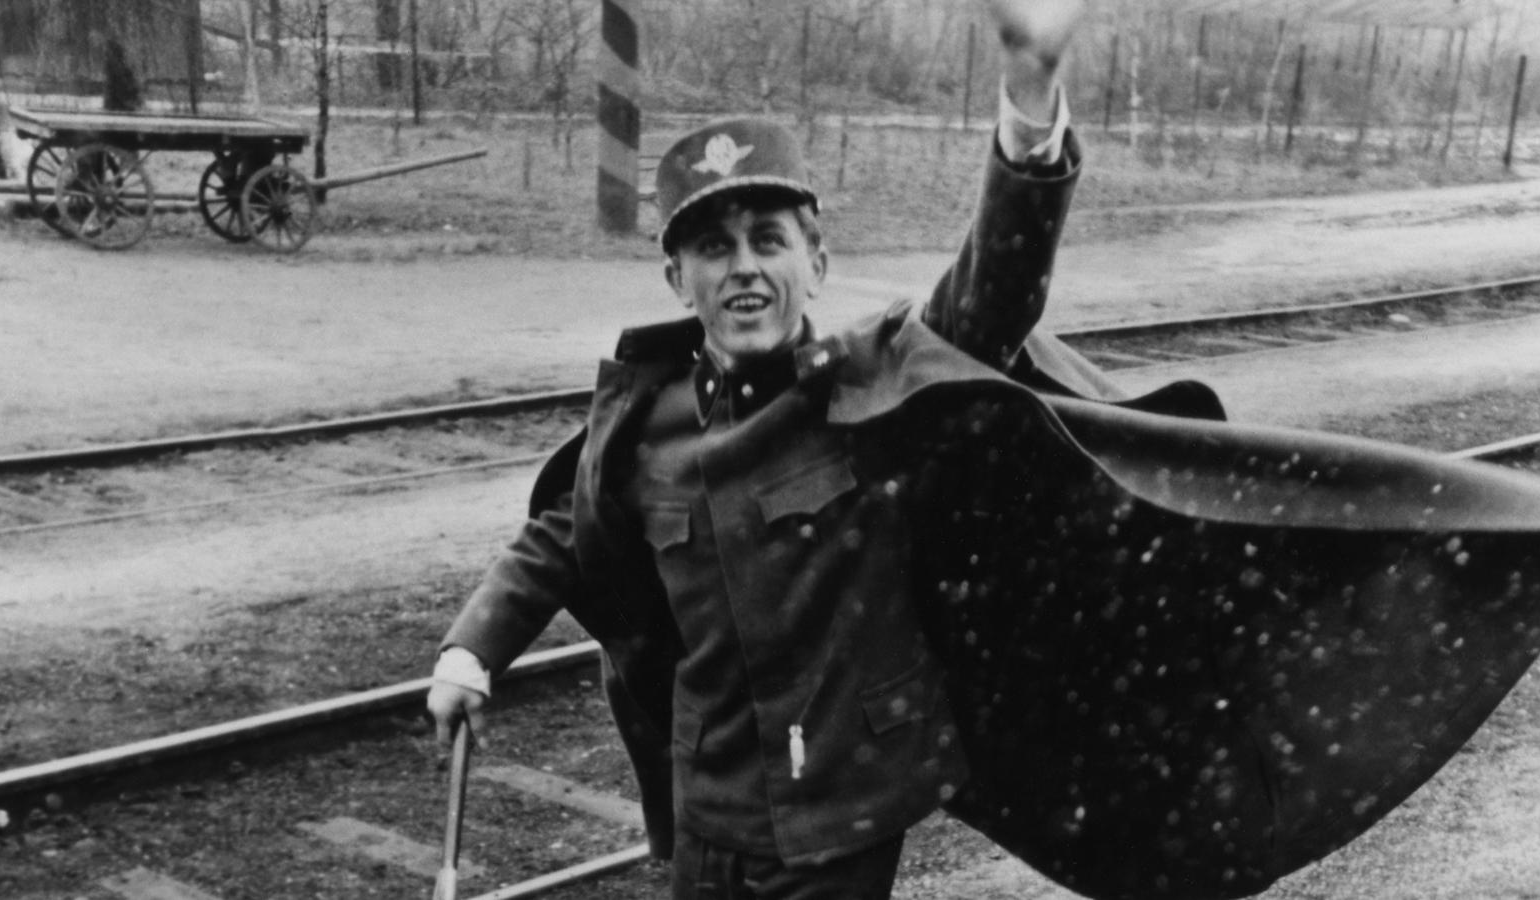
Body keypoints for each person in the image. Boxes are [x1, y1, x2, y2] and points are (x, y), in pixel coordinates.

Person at [427, 1, 1120, 896]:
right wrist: (470, 653)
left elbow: (994, 293)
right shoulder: (647, 425)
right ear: (679, 279)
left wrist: (1030, 95)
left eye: (768, 240)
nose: (744, 267)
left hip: (842, 806)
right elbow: (563, 533)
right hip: (706, 801)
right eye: (714, 248)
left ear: (815, 264)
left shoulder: (875, 386)